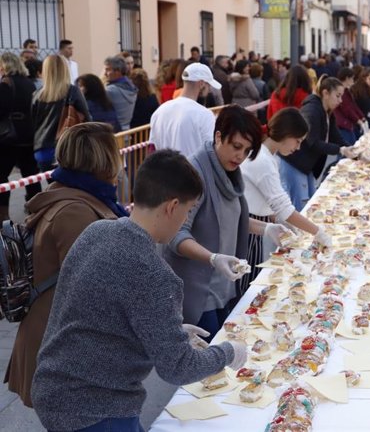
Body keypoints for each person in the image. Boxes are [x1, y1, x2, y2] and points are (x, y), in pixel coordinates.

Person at [31, 149, 247, 430]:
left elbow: (98, 311)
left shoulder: (97, 231)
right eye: (188, 210)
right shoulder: (154, 274)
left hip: (55, 385)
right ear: (171, 207)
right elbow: (177, 367)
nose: (185, 220)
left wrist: (169, 330)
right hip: (94, 405)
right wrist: (229, 352)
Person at [4, 122, 127, 408]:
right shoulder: (76, 211)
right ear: (101, 160)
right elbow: (89, 291)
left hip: (57, 339)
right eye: (115, 154)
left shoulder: (72, 195)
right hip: (64, 348)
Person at [163, 105, 289, 336]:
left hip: (224, 285)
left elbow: (231, 220)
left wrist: (266, 228)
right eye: (236, 147)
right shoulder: (195, 173)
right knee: (211, 359)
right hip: (199, 291)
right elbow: (175, 235)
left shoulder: (230, 171)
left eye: (247, 150)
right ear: (218, 136)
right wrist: (212, 258)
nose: (240, 156)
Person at [241, 107, 332, 286]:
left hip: (258, 218)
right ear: (286, 134)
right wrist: (317, 232)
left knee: (253, 276)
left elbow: (271, 202)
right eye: (297, 141)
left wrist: (289, 224)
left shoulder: (268, 156)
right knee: (248, 281)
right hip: (250, 224)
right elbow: (284, 208)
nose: (298, 148)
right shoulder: (263, 160)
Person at [280, 77, 355, 211]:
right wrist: (341, 150)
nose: (340, 100)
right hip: (295, 162)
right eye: (337, 96)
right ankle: (297, 231)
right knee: (301, 205)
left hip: (307, 165)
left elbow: (335, 136)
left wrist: (351, 149)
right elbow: (312, 142)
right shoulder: (312, 110)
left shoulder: (328, 111)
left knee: (312, 201)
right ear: (325, 93)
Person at [32, 55, 91, 171]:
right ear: (65, 69)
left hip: (42, 150)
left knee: (53, 187)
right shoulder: (72, 91)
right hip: (67, 148)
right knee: (69, 187)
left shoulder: (37, 94)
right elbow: (87, 119)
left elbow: (33, 123)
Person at [0, 52, 40, 221]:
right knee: (31, 176)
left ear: (6, 65)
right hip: (29, 136)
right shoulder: (29, 84)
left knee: (1, 177)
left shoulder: (5, 84)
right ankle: (37, 212)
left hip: (9, 138)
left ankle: (3, 216)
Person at [149, 63, 220, 158]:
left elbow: (152, 148)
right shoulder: (204, 115)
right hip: (192, 171)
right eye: (208, 85)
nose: (210, 90)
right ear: (202, 83)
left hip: (163, 170)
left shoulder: (159, 111)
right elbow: (212, 152)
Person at [334, 67, 367, 145]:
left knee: (349, 146)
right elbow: (347, 109)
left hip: (345, 123)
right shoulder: (342, 91)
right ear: (347, 78)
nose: (353, 81)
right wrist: (358, 120)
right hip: (343, 124)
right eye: (352, 78)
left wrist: (361, 117)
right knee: (348, 147)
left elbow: (352, 105)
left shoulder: (345, 90)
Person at [104, 55, 138, 131]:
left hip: (115, 133)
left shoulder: (111, 90)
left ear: (118, 72)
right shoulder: (131, 86)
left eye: (107, 70)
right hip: (126, 132)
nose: (105, 73)